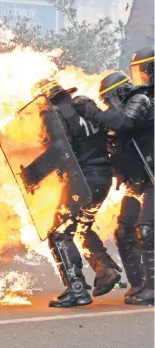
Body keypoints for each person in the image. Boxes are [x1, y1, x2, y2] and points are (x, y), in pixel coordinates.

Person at [32, 78, 122, 308]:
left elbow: (60, 151)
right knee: (81, 226)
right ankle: (106, 268)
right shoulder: (85, 107)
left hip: (83, 180)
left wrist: (32, 175)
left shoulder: (51, 113)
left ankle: (77, 289)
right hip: (103, 178)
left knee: (59, 232)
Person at [75, 67, 153, 306]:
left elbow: (126, 122)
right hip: (135, 183)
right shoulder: (114, 117)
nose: (108, 105)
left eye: (109, 100)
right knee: (124, 232)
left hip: (151, 179)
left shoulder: (139, 99)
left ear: (119, 92)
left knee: (146, 229)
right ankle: (138, 286)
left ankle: (152, 288)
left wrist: (93, 112)